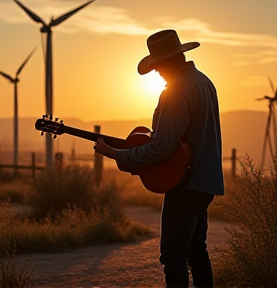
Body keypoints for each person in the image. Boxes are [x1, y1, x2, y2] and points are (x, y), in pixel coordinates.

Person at [94, 29, 224, 288]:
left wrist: (117, 154)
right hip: (206, 183)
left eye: (157, 65)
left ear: (166, 61)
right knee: (198, 254)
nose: (156, 72)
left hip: (186, 186)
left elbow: (161, 148)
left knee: (174, 258)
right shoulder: (204, 82)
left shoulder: (176, 91)